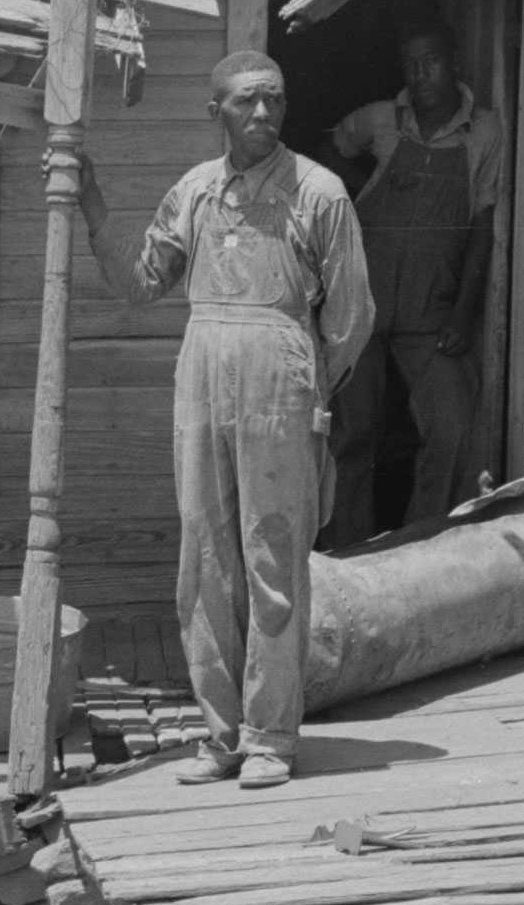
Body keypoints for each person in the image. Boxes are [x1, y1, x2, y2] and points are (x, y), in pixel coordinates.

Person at [78, 50, 372, 789]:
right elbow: (144, 281)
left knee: (272, 557)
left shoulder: (320, 193)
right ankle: (222, 736)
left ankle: (272, 736)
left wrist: (309, 386)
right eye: (246, 102)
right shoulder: (196, 193)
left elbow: (351, 314)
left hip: (282, 381)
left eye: (274, 100)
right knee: (205, 557)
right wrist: (93, 207)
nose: (263, 115)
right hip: (202, 375)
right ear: (217, 112)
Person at [322, 19, 506, 548]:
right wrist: (357, 190)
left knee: (451, 424)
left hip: (433, 309)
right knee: (351, 433)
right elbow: (337, 143)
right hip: (364, 302)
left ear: (455, 64)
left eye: (432, 61)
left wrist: (462, 312)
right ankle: (345, 551)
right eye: (411, 64)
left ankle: (424, 544)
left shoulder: (485, 132)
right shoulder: (382, 119)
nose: (422, 74)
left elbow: (481, 227)